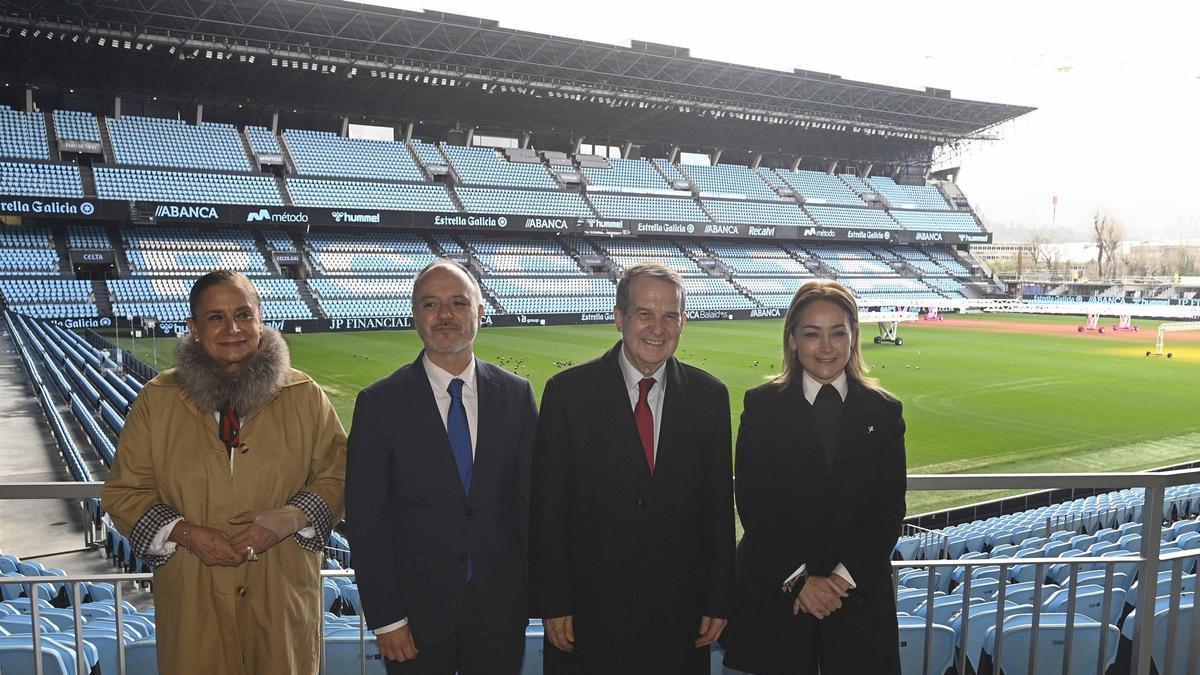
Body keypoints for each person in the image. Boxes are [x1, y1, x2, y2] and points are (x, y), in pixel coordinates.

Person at [102, 270, 346, 675]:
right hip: (194, 597)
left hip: (281, 597)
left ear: (260, 318)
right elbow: (125, 492)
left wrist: (288, 519)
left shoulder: (303, 395)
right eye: (215, 317)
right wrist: (187, 534)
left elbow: (338, 476)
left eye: (243, 314)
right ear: (194, 328)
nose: (232, 328)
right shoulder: (158, 400)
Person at [530, 261, 735, 674]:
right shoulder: (567, 395)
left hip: (680, 620)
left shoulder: (709, 397)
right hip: (588, 620)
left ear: (683, 322)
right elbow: (548, 510)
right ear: (619, 317)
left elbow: (716, 508)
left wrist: (719, 598)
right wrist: (553, 602)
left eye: (669, 316)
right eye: (644, 314)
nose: (657, 328)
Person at [345, 259, 538, 675]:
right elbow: (367, 521)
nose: (446, 315)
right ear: (415, 315)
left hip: (499, 614)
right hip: (413, 619)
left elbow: (530, 507)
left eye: (458, 302)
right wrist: (387, 617)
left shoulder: (516, 396)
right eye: (431, 304)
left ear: (480, 312)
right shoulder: (379, 404)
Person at [721, 279, 907, 675]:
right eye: (812, 334)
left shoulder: (884, 412)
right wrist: (801, 581)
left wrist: (837, 583)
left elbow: (888, 509)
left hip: (855, 600)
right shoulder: (762, 406)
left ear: (853, 337)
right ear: (792, 339)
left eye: (838, 333)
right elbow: (754, 503)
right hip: (776, 594)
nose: (826, 346)